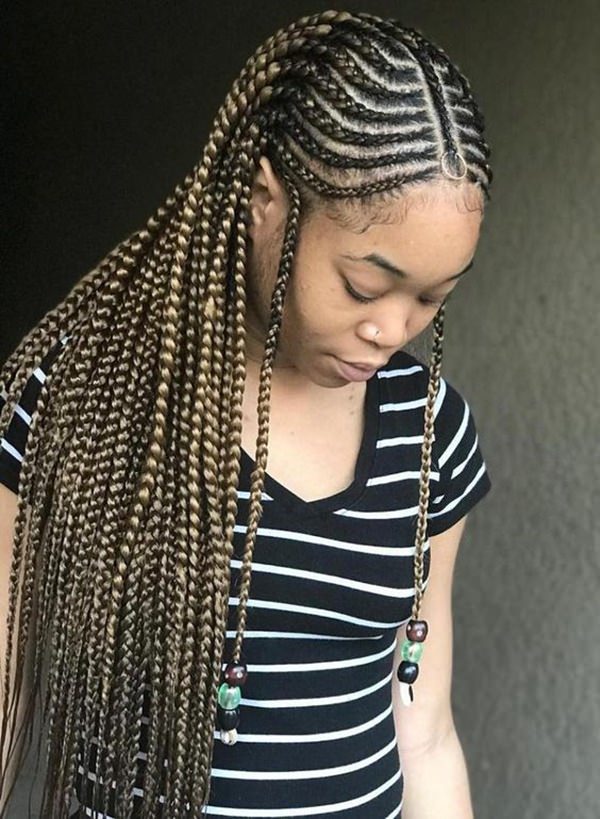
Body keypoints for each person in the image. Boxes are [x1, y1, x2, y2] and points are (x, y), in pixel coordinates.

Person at [0, 9, 493, 818]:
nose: (392, 330)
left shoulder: (430, 430)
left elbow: (427, 730)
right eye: (364, 286)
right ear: (265, 199)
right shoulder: (87, 395)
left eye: (431, 299)